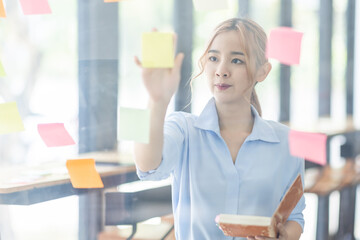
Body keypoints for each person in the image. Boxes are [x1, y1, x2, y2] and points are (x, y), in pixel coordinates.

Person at [134, 18, 305, 240]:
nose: (221, 70)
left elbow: (295, 217)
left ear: (263, 72)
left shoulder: (286, 142)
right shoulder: (185, 129)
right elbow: (147, 164)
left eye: (237, 60)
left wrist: (284, 236)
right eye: (213, 58)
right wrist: (156, 100)